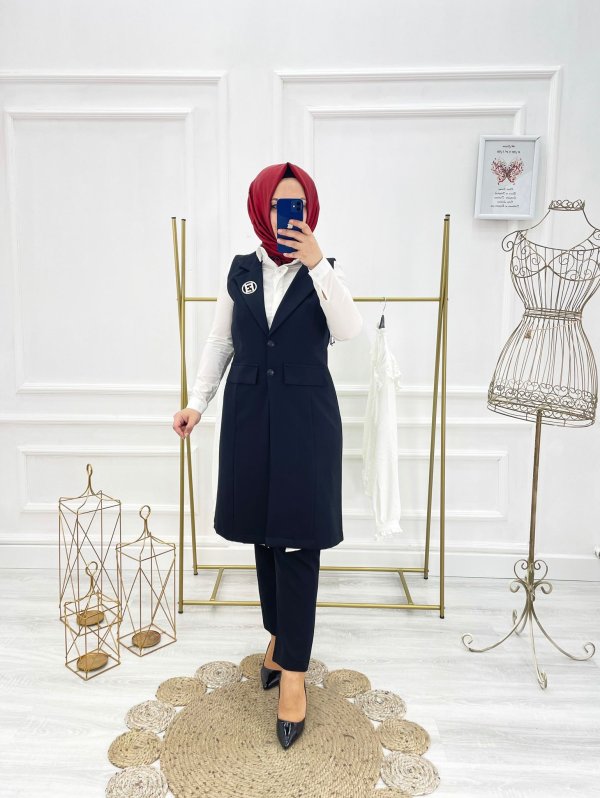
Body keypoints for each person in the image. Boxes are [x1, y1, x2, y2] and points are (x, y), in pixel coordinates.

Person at [173, 161, 362, 749]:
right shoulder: (240, 271)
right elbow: (221, 341)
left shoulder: (324, 270)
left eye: (297, 203)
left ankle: (294, 675)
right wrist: (197, 403)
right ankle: (278, 636)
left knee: (299, 540)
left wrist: (318, 263)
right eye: (279, 203)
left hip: (307, 422)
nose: (288, 214)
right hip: (250, 415)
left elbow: (349, 330)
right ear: (260, 207)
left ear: (310, 209)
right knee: (263, 534)